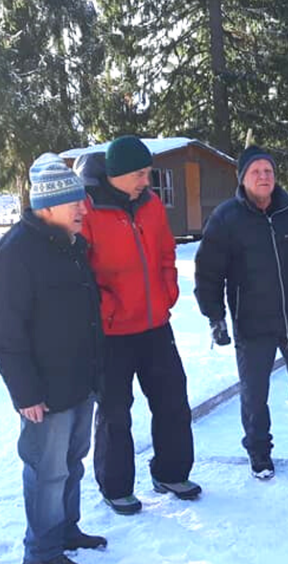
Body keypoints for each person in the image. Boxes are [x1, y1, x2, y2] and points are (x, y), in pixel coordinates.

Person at [0, 153, 106, 564]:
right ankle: (41, 551)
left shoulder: (73, 247)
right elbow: (2, 334)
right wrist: (26, 394)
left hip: (79, 381)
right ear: (47, 205)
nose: (83, 209)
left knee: (72, 462)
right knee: (46, 469)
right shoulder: (14, 255)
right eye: (75, 202)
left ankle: (65, 530)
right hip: (46, 391)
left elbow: (87, 315)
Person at [194, 145, 288, 479]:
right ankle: (259, 452)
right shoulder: (226, 219)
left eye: (268, 171)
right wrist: (215, 316)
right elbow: (208, 271)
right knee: (254, 393)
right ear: (243, 178)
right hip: (252, 324)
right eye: (256, 172)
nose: (264, 177)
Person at [79, 135, 200, 514]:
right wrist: (106, 307)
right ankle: (116, 487)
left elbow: (166, 250)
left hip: (154, 324)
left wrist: (167, 289)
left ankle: (171, 472)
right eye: (139, 174)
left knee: (173, 400)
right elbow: (79, 271)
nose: (146, 181)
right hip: (111, 332)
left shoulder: (150, 205)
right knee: (115, 412)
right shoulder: (88, 209)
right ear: (116, 175)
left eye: (147, 172)